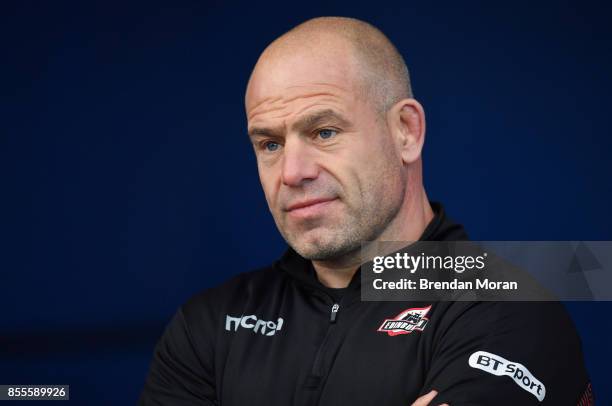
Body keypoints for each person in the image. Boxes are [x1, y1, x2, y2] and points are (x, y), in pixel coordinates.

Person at [140, 17, 592, 405]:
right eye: (270, 144)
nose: (292, 172)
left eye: (324, 132)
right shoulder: (209, 326)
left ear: (406, 132)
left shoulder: (505, 309)